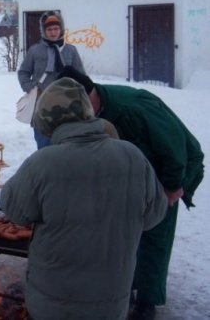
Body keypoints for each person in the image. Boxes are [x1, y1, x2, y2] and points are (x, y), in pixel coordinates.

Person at [0, 77, 168, 320]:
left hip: (53, 303)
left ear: (48, 122)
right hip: (113, 301)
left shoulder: (43, 163)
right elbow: (154, 214)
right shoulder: (132, 156)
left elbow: (14, 209)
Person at [57, 66, 205, 320]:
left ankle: (147, 302)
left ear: (87, 95)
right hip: (134, 176)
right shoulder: (88, 113)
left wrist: (171, 187)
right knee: (126, 234)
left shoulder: (133, 107)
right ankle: (128, 285)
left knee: (155, 237)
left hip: (168, 172)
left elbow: (174, 149)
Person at [17, 10, 85, 149]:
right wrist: (29, 86)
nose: (53, 32)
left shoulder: (70, 50)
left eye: (56, 28)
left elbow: (82, 76)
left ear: (61, 29)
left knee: (66, 145)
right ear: (44, 31)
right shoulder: (35, 50)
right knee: (44, 145)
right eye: (49, 29)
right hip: (42, 104)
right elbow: (23, 72)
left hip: (67, 104)